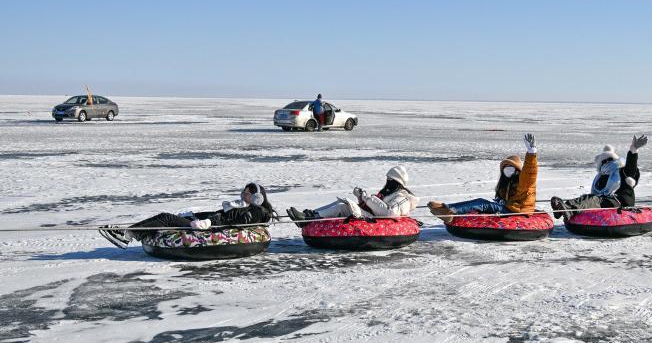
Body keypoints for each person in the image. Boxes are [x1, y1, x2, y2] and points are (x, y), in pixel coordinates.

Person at [98, 183, 275, 248]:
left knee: (166, 218)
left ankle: (127, 235)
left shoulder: (256, 211)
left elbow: (235, 223)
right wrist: (197, 216)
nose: (242, 195)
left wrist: (210, 221)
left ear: (256, 197)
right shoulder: (245, 208)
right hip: (204, 223)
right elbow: (225, 216)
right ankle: (129, 233)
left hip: (208, 229)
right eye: (243, 192)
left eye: (246, 193)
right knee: (165, 218)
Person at [428, 134, 538, 222]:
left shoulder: (525, 181)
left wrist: (531, 153)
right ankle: (446, 209)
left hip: (519, 211)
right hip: (509, 208)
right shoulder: (506, 183)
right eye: (506, 167)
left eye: (511, 167)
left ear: (517, 170)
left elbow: (530, 172)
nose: (507, 169)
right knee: (482, 204)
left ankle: (449, 210)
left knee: (482, 203)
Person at [550, 135, 648, 219]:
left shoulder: (621, 170)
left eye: (610, 160)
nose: (608, 163)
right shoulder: (601, 176)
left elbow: (631, 168)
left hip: (619, 201)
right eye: (605, 161)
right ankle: (563, 208)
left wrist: (633, 150)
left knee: (593, 199)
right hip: (604, 201)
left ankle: (568, 208)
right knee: (587, 198)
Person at [285, 165, 418, 227]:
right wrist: (361, 198)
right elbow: (374, 207)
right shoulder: (389, 193)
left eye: (390, 179)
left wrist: (367, 198)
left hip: (382, 221)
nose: (387, 182)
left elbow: (390, 213)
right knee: (342, 203)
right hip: (374, 217)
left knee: (343, 206)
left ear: (397, 182)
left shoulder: (402, 198)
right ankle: (309, 215)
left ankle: (308, 218)